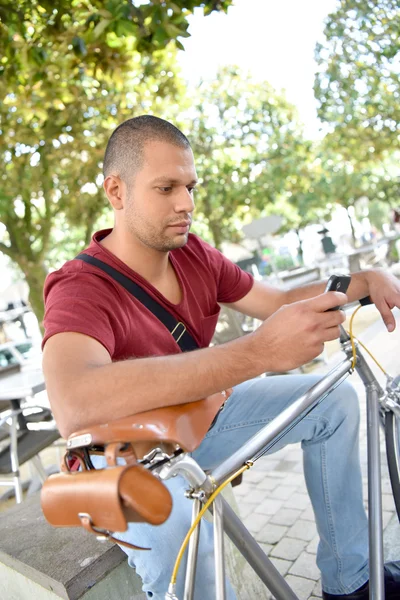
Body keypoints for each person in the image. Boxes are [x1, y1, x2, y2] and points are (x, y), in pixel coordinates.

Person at [42, 115, 400, 600]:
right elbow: (74, 403)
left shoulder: (194, 255)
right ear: (116, 191)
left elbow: (275, 301)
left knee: (335, 402)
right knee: (185, 533)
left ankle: (351, 582)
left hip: (199, 421)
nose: (186, 203)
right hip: (129, 458)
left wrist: (365, 280)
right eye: (166, 188)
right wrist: (255, 352)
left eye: (190, 186)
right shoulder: (80, 286)